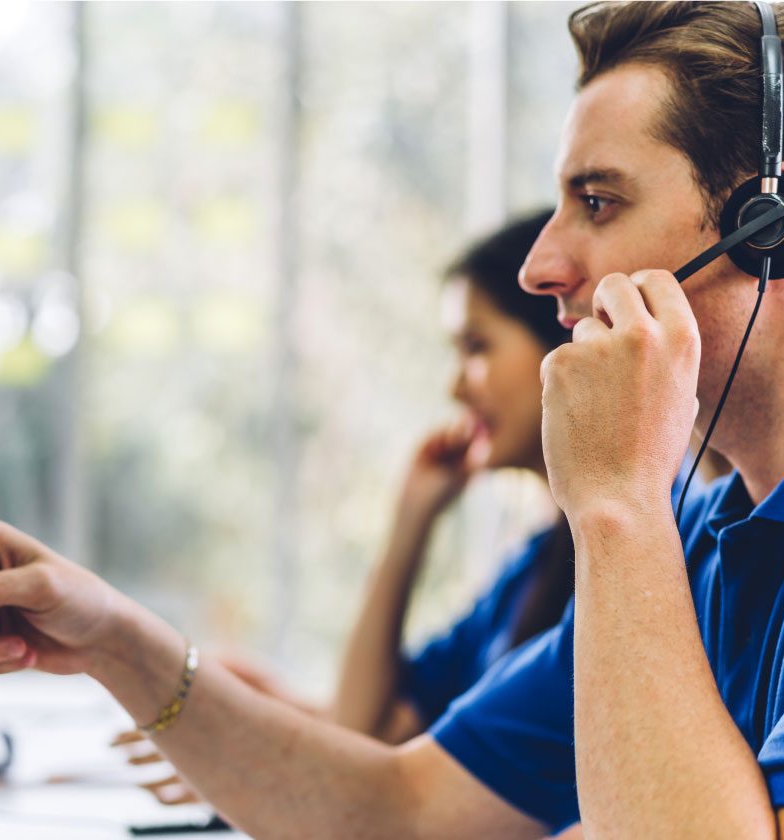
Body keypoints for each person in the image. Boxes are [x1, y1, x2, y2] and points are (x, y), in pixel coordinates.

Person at [0, 2, 784, 836]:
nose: (541, 263)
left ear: (774, 224)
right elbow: (394, 813)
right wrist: (113, 635)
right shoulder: (707, 525)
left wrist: (617, 509)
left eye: (597, 201)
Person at [119, 211, 575, 804]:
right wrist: (411, 521)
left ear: (562, 340)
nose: (456, 389)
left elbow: (377, 746)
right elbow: (367, 725)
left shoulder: (635, 553)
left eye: (477, 346)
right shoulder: (534, 569)